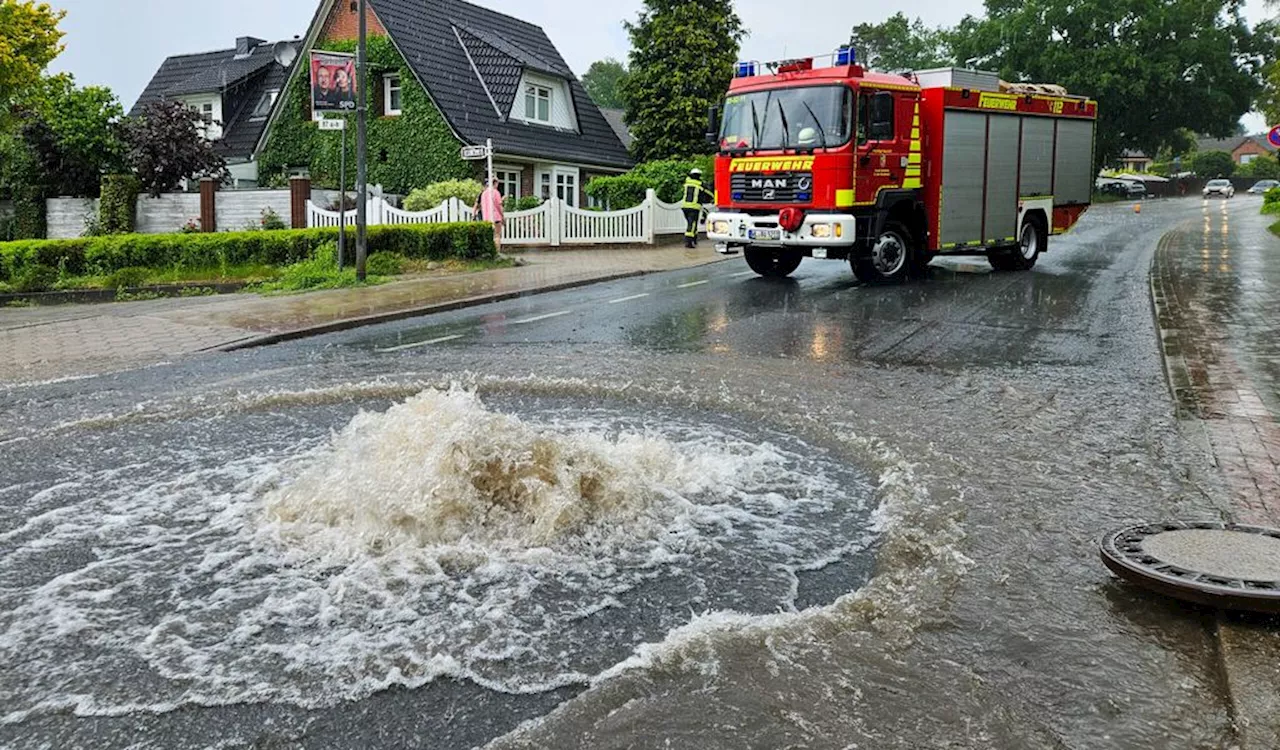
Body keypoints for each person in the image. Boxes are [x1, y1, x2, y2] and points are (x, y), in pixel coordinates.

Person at [682, 168, 714, 248]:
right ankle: (688, 242)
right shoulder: (700, 184)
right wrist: (713, 198)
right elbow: (709, 193)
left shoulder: (687, 183)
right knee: (692, 224)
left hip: (685, 207)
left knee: (692, 224)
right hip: (694, 207)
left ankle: (694, 239)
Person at [473, 179, 505, 251]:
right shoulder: (496, 192)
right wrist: (503, 216)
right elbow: (499, 206)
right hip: (496, 217)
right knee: (497, 235)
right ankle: (497, 252)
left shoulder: (483, 194)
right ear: (495, 183)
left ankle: (489, 252)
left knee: (488, 236)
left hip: (486, 218)